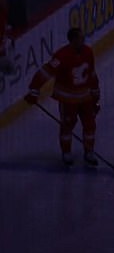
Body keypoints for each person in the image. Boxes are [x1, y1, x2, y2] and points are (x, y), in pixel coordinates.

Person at [24, 28, 100, 166]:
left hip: (85, 97)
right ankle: (66, 152)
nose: (83, 40)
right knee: (67, 125)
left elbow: (92, 74)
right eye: (80, 38)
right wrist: (34, 90)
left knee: (90, 125)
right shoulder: (61, 56)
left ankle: (89, 151)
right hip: (68, 99)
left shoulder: (88, 52)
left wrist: (95, 93)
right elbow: (45, 72)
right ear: (72, 40)